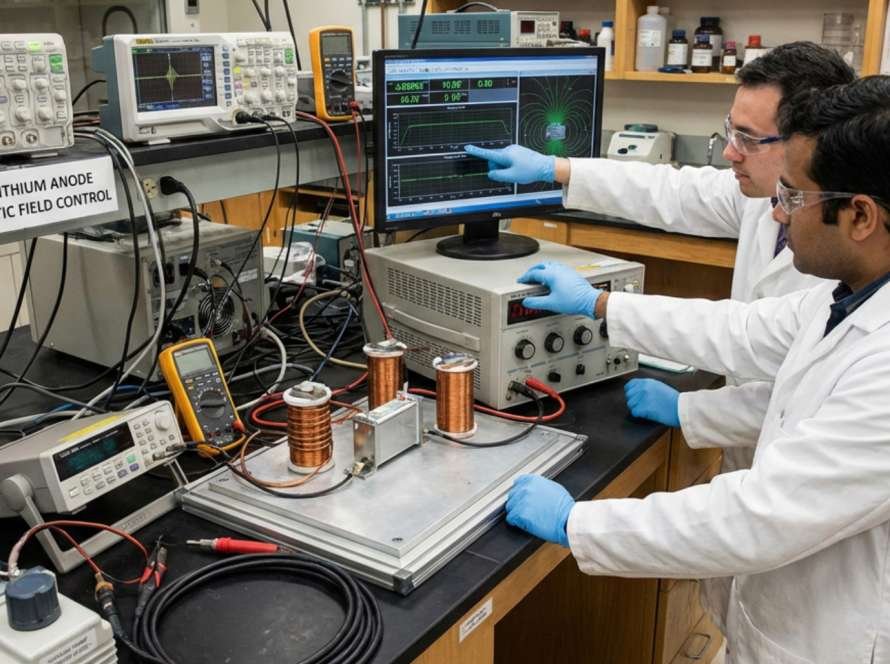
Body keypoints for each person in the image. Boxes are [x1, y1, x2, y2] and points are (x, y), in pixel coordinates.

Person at [465, 42, 855, 629]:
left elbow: (768, 493)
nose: (730, 151)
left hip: (814, 585)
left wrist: (580, 521)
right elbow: (674, 197)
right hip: (759, 512)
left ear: (811, 142)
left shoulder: (836, 259)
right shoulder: (769, 202)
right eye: (730, 130)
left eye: (749, 139)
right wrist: (557, 170)